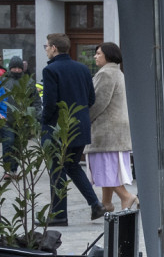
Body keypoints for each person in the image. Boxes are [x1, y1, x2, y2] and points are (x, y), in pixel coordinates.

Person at [40, 33, 104, 225]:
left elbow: (50, 103)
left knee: (57, 170)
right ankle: (95, 204)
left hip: (59, 130)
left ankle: (59, 215)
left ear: (53, 48)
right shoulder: (83, 69)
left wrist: (43, 122)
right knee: (73, 166)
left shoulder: (50, 70)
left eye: (47, 46)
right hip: (80, 128)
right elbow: (91, 99)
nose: (46, 49)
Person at [84, 42, 137, 213]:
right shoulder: (116, 72)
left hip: (106, 131)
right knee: (108, 169)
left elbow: (98, 102)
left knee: (105, 168)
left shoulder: (106, 73)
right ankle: (106, 203)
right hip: (113, 130)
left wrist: (85, 120)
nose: (95, 56)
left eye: (98, 53)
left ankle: (126, 196)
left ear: (108, 55)